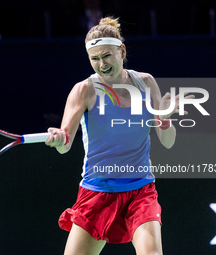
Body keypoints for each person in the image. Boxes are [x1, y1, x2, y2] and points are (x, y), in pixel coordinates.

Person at [45, 17, 193, 255]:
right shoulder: (84, 91)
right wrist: (58, 138)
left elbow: (168, 142)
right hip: (97, 191)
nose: (101, 64)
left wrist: (164, 117)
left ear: (121, 51)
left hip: (140, 190)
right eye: (94, 58)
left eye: (106, 56)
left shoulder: (146, 83)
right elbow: (65, 143)